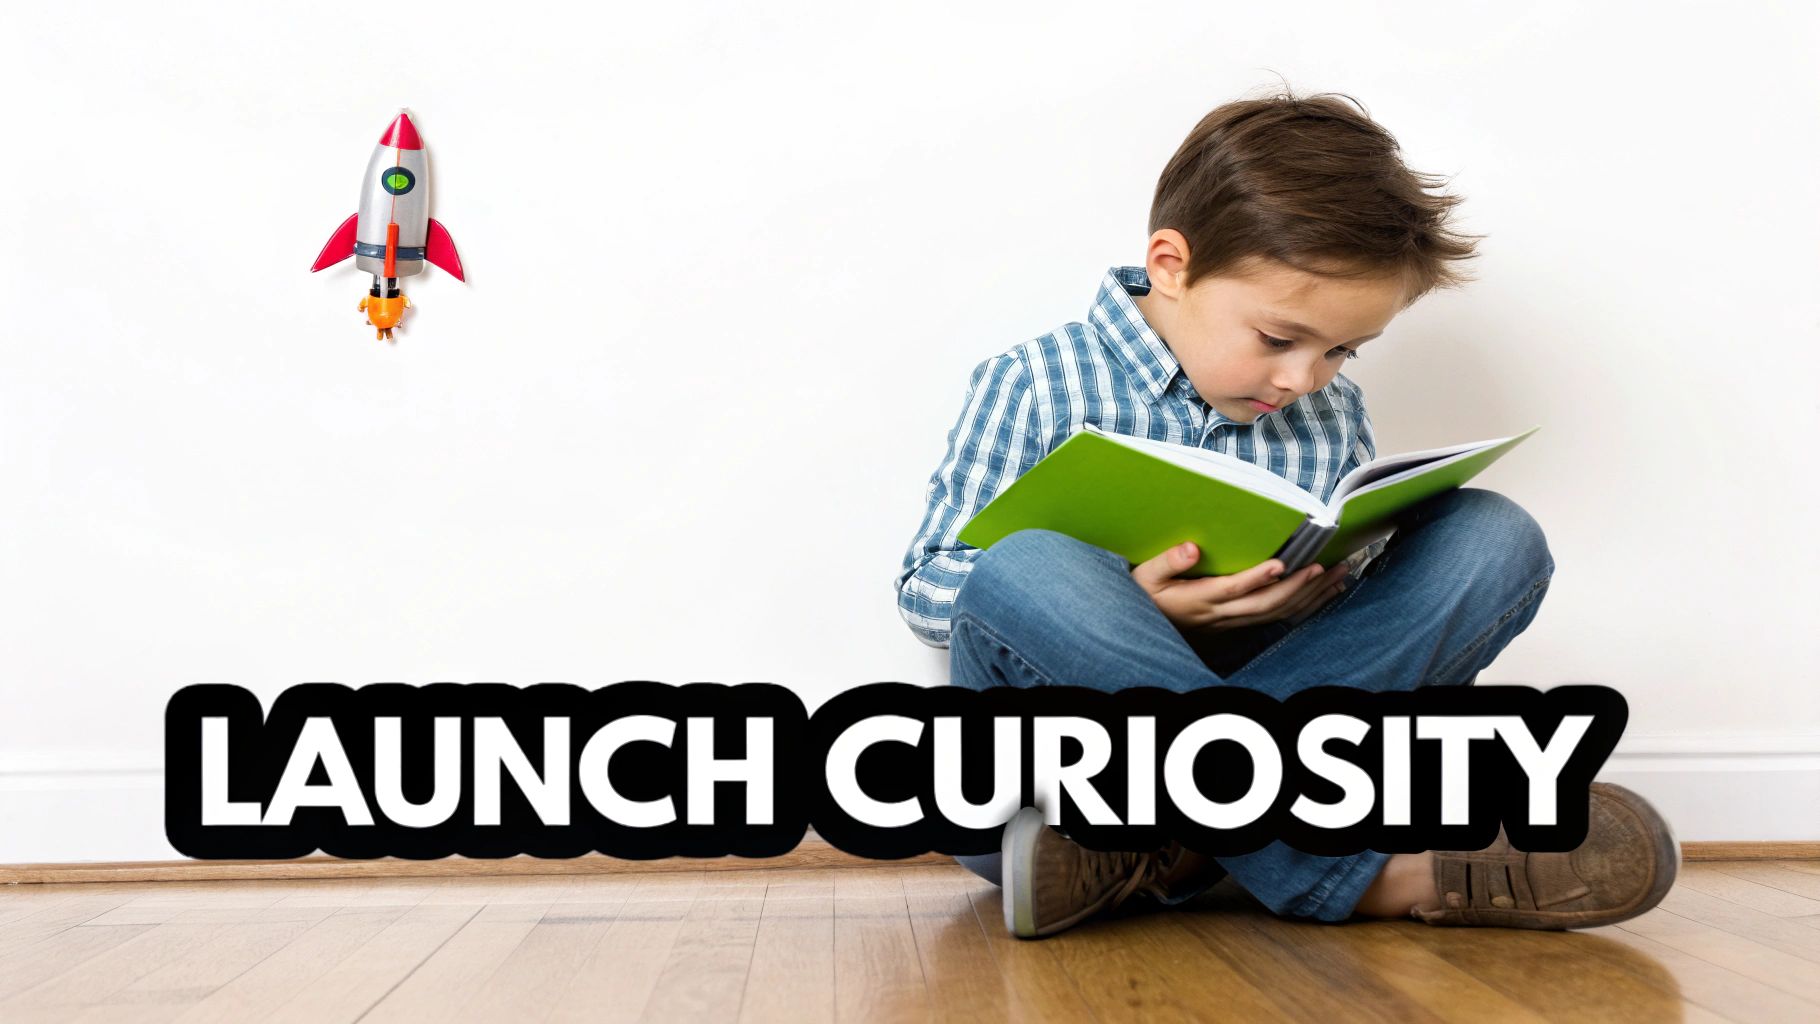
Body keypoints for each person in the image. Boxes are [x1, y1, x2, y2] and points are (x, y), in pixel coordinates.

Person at [892, 89, 1678, 939]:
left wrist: (1324, 586)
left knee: (1492, 535)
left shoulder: (1328, 413)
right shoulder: (1035, 380)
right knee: (1024, 565)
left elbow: (1371, 633)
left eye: (1342, 350)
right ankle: (1359, 873)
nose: (1306, 379)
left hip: (1136, 813)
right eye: (1278, 339)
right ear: (1170, 265)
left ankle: (1169, 850)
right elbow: (930, 587)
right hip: (1062, 781)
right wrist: (1135, 600)